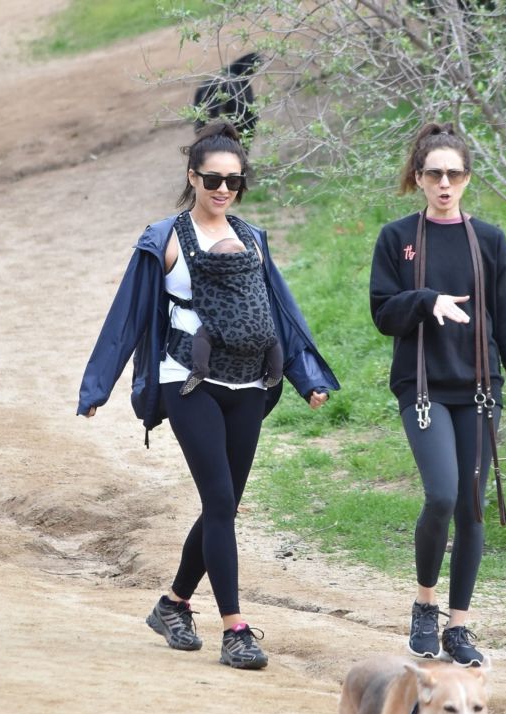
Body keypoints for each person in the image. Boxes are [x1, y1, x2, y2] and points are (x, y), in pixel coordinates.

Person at [77, 120, 339, 670]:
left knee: (226, 506)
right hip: (186, 380)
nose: (223, 189)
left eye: (234, 181)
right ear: (192, 177)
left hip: (249, 383)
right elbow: (125, 317)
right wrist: (98, 384)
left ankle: (173, 603)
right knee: (220, 502)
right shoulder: (164, 240)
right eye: (213, 179)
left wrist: (306, 377)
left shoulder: (252, 238)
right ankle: (236, 629)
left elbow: (281, 315)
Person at [370, 122, 506, 667]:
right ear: (418, 178)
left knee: (471, 508)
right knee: (443, 494)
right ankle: (425, 604)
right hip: (422, 388)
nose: (444, 183)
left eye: (454, 173)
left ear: (466, 178)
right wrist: (426, 300)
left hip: (478, 390)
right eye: (434, 173)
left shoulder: (488, 240)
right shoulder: (396, 238)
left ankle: (459, 627)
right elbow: (383, 313)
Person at [180, 235, 284, 395]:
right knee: (272, 340)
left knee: (203, 335)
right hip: (262, 329)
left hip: (229, 329)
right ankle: (276, 373)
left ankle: (200, 369)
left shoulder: (213, 268)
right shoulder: (252, 266)